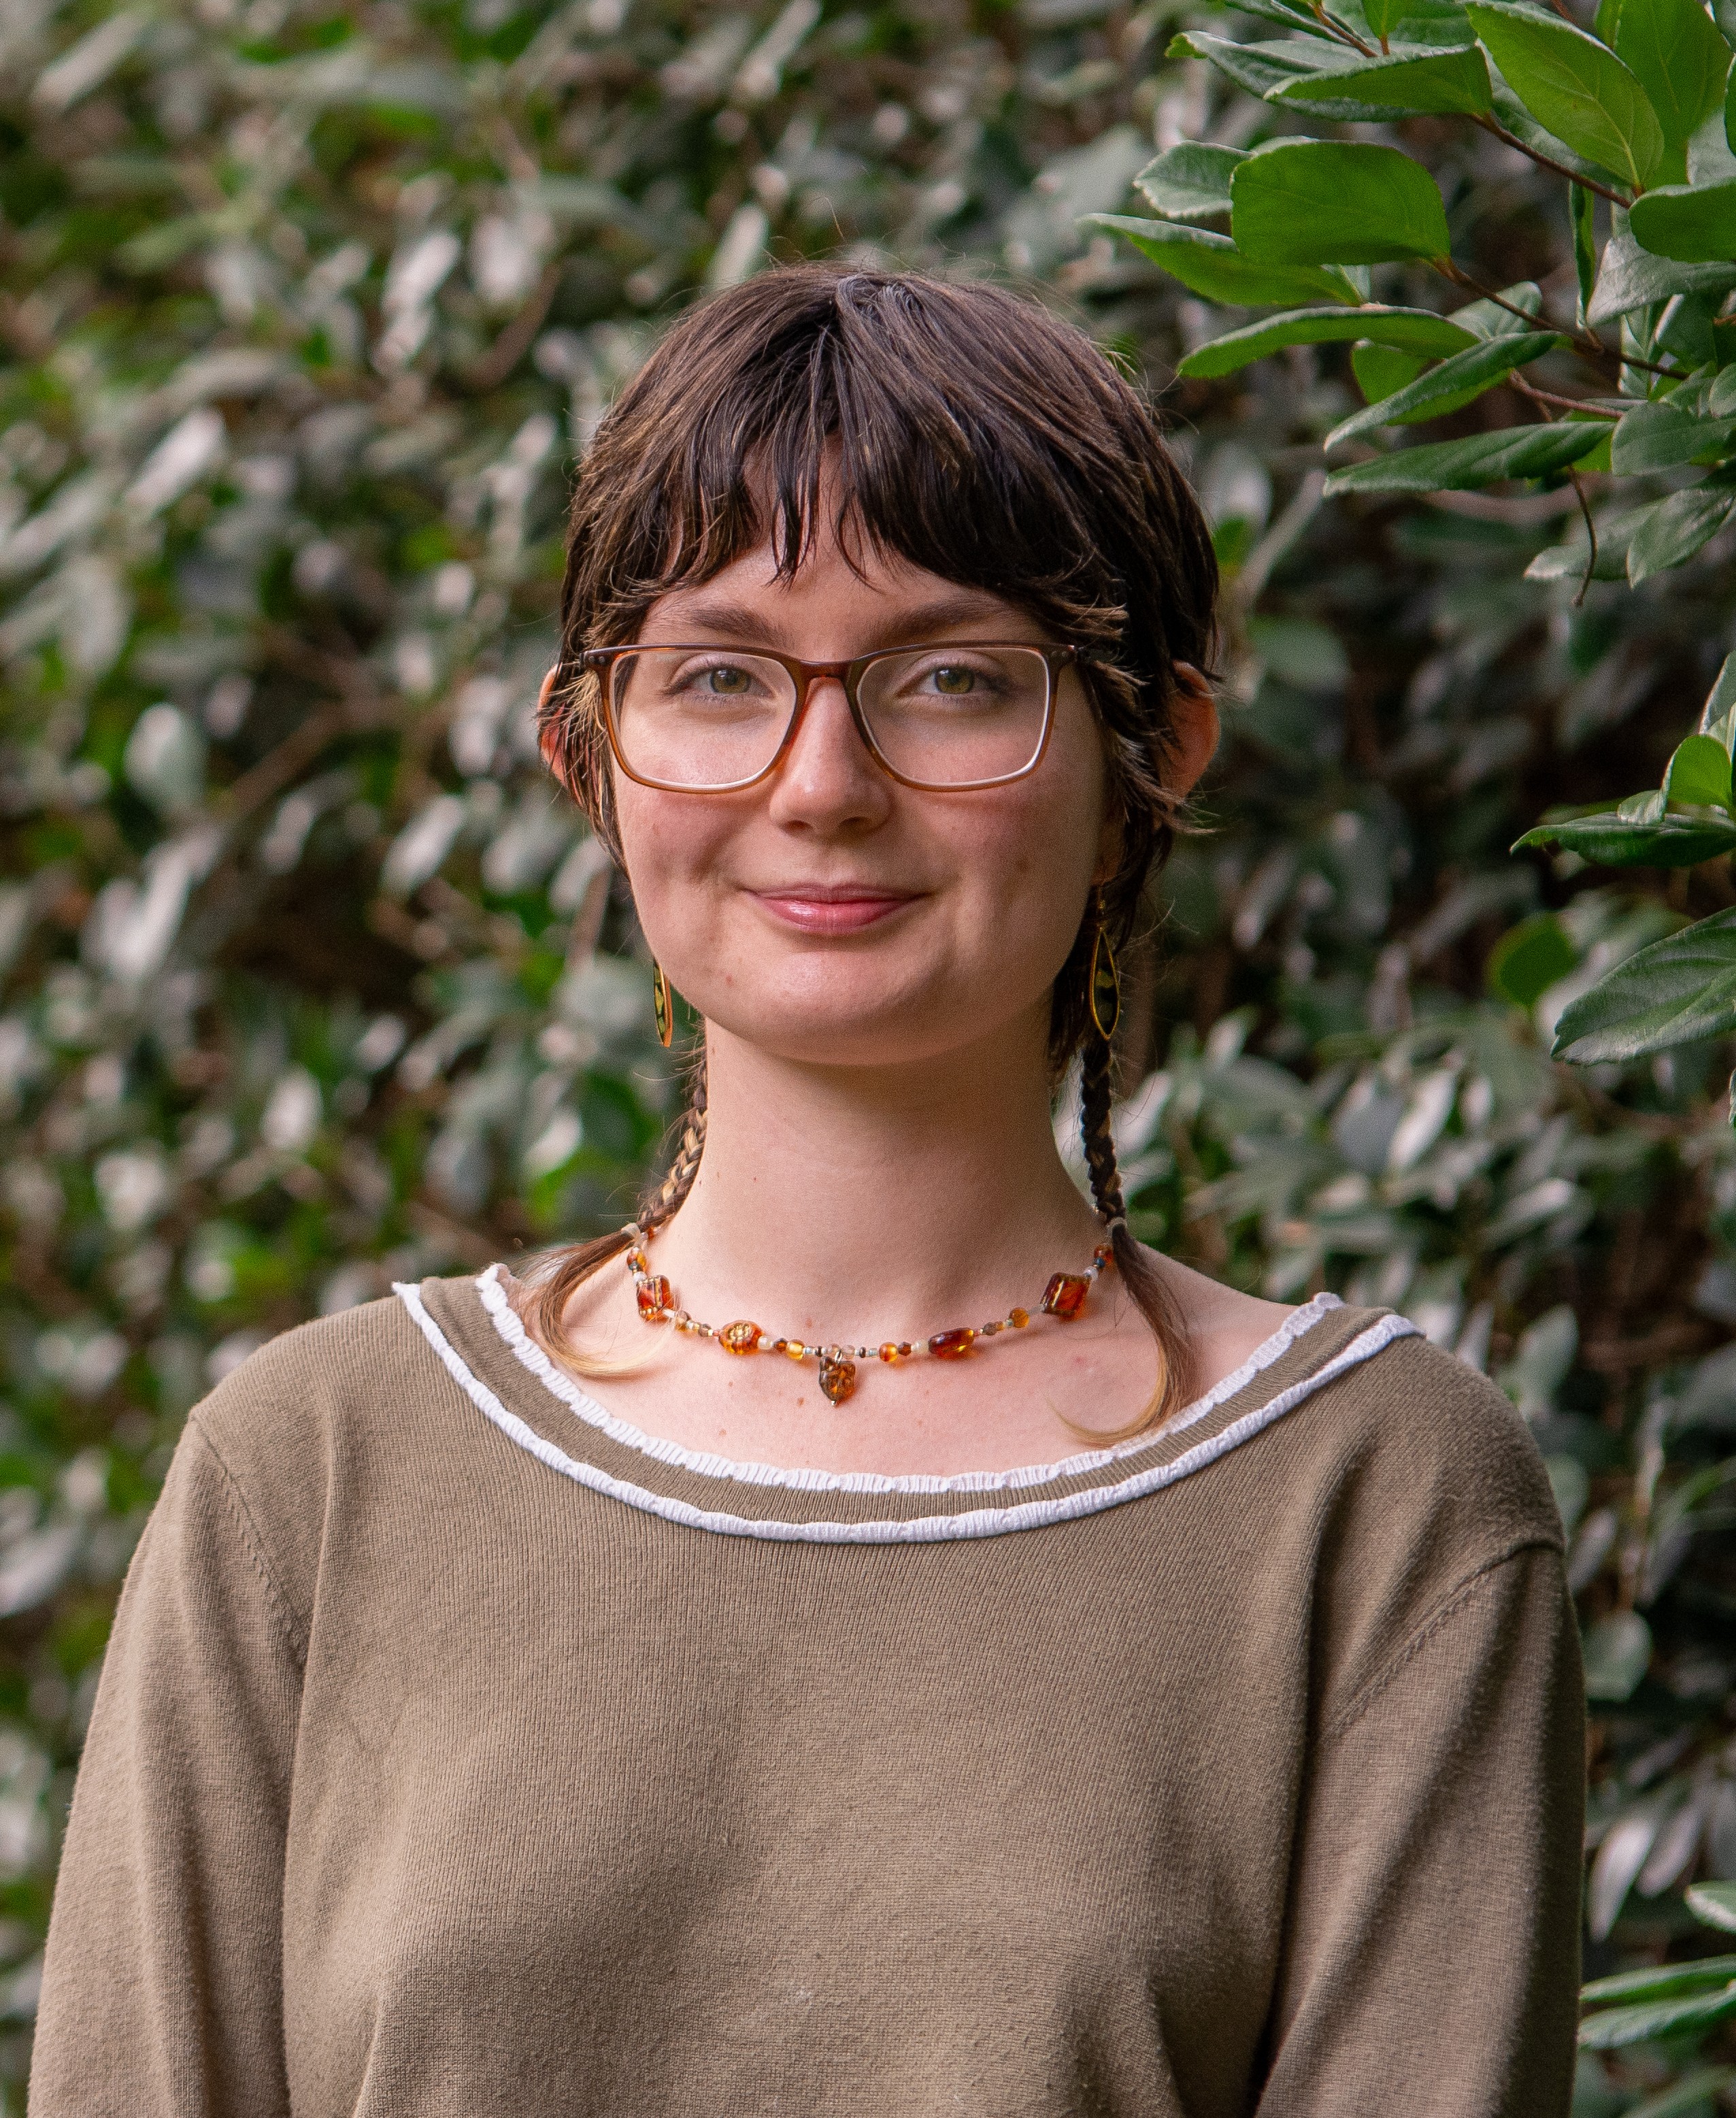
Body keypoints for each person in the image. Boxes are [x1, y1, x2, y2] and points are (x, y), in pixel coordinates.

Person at [31, 267, 1584, 2117]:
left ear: (1154, 749)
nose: (822, 783)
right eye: (715, 678)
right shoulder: (310, 1476)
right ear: (590, 758)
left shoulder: (1374, 1498)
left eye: (951, 678)